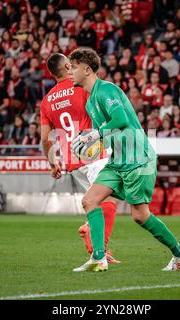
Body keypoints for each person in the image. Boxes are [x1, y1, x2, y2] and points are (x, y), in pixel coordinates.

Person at [69, 47, 180, 272]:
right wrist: (86, 145)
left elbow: (121, 119)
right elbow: (105, 138)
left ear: (86, 69)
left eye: (73, 67)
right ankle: (98, 258)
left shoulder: (107, 90)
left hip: (137, 158)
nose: (70, 72)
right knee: (90, 200)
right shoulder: (89, 102)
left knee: (139, 215)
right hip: (118, 161)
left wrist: (95, 133)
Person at [40, 53, 119, 264]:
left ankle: (96, 245)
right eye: (72, 64)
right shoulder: (81, 87)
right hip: (93, 153)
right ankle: (96, 247)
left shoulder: (47, 100)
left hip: (72, 160)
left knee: (99, 200)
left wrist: (53, 162)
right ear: (67, 66)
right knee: (109, 200)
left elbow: (45, 138)